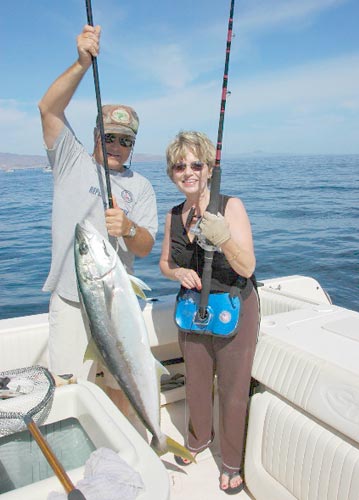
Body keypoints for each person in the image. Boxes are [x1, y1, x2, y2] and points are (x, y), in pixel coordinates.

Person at [38, 24, 158, 410]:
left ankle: (129, 450)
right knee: (68, 387)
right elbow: (48, 108)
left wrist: (129, 227)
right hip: (72, 301)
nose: (116, 146)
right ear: (94, 134)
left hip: (118, 303)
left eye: (126, 140)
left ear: (133, 147)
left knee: (122, 387)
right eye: (109, 136)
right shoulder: (70, 160)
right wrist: (81, 63)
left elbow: (144, 247)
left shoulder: (140, 187)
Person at [159, 131, 259, 494]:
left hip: (235, 306)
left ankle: (231, 462)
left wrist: (223, 237)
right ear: (172, 172)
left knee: (233, 389)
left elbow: (247, 267)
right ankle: (198, 439)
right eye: (180, 165)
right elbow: (164, 263)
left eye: (196, 164)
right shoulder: (173, 214)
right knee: (196, 381)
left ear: (209, 168)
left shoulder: (230, 206)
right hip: (193, 310)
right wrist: (176, 273)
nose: (188, 171)